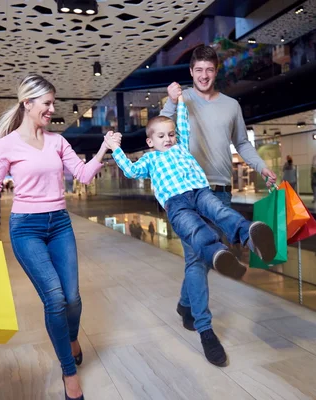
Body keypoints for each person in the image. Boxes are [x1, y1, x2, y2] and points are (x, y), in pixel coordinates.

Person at [0, 74, 114, 400]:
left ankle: (70, 337)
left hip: (60, 225)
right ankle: (69, 373)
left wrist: (103, 150)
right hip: (26, 229)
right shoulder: (8, 144)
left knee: (73, 298)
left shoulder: (57, 141)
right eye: (47, 103)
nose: (52, 109)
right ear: (28, 103)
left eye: (53, 103)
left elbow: (81, 175)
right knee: (54, 298)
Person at [109, 92, 277, 366]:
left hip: (200, 191)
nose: (168, 139)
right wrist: (115, 147)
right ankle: (217, 257)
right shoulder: (150, 159)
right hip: (177, 203)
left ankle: (251, 236)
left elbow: (184, 124)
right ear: (150, 141)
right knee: (197, 233)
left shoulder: (182, 146)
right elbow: (129, 169)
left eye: (171, 134)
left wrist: (180, 103)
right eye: (161, 136)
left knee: (223, 213)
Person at [158, 46, 277, 367]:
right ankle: (205, 329)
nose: (204, 75)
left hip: (220, 191)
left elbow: (241, 143)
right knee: (198, 261)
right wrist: (171, 101)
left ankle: (186, 306)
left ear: (216, 71)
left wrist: (261, 167)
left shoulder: (231, 106)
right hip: (185, 191)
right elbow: (159, 133)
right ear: (191, 72)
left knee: (203, 258)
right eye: (198, 70)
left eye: (209, 70)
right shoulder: (181, 99)